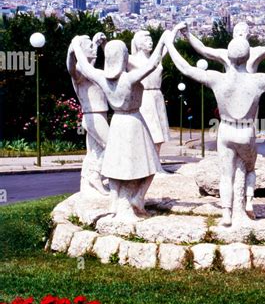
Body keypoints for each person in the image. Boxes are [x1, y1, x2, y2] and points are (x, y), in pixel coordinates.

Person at [163, 25, 265, 226]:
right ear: (248, 56)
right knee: (248, 169)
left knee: (226, 175)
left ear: (228, 56)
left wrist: (170, 43)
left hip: (225, 129)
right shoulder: (259, 80)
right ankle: (246, 203)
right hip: (246, 130)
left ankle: (226, 214)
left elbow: (185, 68)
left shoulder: (217, 78)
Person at [70, 24, 185, 221]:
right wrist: (164, 41)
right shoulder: (130, 78)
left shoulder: (101, 78)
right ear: (124, 57)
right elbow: (152, 65)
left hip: (116, 123)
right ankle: (137, 199)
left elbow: (85, 66)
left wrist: (76, 47)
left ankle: (115, 200)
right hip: (134, 122)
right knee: (151, 165)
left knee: (114, 166)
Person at [66, 33, 109, 196]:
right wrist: (72, 50)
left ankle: (89, 178)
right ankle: (95, 175)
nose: (93, 47)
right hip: (93, 116)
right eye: (89, 46)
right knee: (111, 146)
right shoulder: (78, 72)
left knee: (94, 152)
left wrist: (98, 45)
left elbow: (92, 64)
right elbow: (71, 66)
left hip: (100, 115)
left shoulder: (91, 70)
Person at [182, 20, 265, 73]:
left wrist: (188, 35)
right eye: (238, 32)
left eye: (242, 32)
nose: (240, 34)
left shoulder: (225, 54)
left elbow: (203, 49)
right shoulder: (256, 52)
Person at [128, 29, 170, 174]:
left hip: (157, 96)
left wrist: (174, 32)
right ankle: (150, 166)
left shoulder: (154, 58)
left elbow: (165, 47)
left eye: (151, 39)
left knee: (160, 136)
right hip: (145, 97)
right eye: (146, 40)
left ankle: (156, 164)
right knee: (153, 133)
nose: (150, 41)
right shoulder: (133, 60)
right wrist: (104, 44)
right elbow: (116, 55)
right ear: (139, 44)